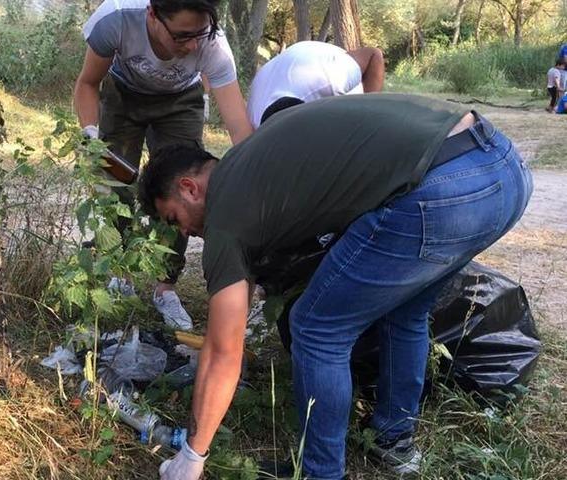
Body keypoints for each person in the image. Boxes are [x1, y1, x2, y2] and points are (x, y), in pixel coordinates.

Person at [138, 94, 533, 480]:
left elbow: (224, 349)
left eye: (174, 219)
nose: (184, 232)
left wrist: (192, 455)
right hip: (503, 169)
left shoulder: (225, 211)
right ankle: (393, 440)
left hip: (447, 189)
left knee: (315, 327)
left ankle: (321, 472)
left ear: (189, 188)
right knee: (406, 311)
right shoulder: (253, 163)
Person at [74, 0, 253, 330]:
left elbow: (239, 128)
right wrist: (90, 135)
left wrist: (256, 177)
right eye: (182, 36)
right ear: (153, 15)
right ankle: (120, 276)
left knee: (182, 192)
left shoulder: (213, 45)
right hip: (123, 96)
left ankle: (165, 287)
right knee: (114, 186)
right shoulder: (115, 19)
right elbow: (87, 83)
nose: (193, 45)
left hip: (180, 102)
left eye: (200, 34)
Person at [246, 40, 385, 128]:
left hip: (316, 61)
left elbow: (374, 55)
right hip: (279, 71)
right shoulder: (253, 122)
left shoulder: (332, 78)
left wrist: (367, 119)